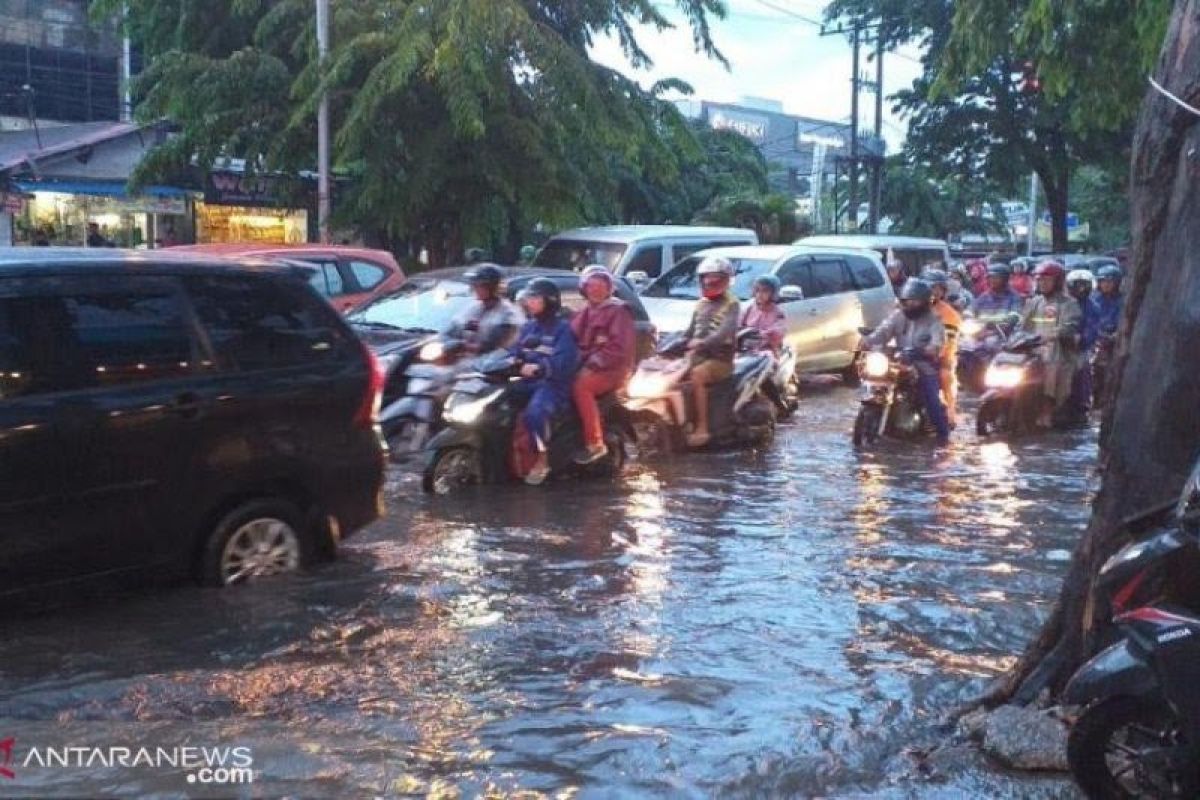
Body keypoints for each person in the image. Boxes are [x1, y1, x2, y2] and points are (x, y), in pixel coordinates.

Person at [509, 279, 580, 485]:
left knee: (535, 413)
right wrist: (513, 361)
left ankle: (542, 458)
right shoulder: (529, 327)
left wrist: (540, 368)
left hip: (552, 385)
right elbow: (515, 350)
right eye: (528, 298)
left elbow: (563, 363)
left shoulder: (563, 329)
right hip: (527, 382)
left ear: (549, 301)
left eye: (535, 298)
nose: (529, 303)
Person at [864, 279, 951, 445]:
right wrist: (867, 341)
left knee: (932, 400)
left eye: (914, 301)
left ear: (924, 302)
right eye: (907, 301)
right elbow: (883, 331)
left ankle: (943, 438)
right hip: (899, 361)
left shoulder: (934, 320)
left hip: (924, 365)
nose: (910, 304)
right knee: (873, 380)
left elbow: (938, 343)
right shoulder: (898, 316)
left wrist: (927, 350)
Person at [570, 265, 637, 465]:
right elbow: (570, 336)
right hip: (588, 365)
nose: (596, 290)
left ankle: (595, 443)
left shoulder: (617, 311)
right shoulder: (585, 312)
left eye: (600, 286)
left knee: (582, 387)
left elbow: (619, 349)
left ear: (609, 289)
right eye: (591, 286)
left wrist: (592, 363)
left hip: (613, 369)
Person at [681, 255, 740, 447]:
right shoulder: (700, 304)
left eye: (717, 279)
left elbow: (724, 332)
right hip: (698, 356)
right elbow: (689, 331)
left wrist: (703, 343)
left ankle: (702, 428)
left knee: (697, 375)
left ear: (726, 281)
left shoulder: (732, 304)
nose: (711, 283)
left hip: (721, 360)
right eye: (708, 279)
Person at [1020, 261, 1083, 429]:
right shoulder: (1034, 302)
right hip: (1033, 349)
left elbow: (1069, 326)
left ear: (1058, 282)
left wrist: (1054, 334)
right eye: (1039, 280)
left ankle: (1047, 410)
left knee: (1052, 362)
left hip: (1060, 352)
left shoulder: (1069, 303)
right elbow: (1022, 326)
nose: (1042, 283)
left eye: (1047, 280)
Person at [442, 264, 521, 355]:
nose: (474, 288)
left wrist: (464, 346)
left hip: (490, 365)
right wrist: (450, 342)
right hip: (464, 363)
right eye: (474, 284)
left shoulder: (508, 315)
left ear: (493, 287)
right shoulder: (473, 308)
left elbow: (494, 346)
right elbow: (451, 329)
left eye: (479, 285)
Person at [924, 269, 962, 428]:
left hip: (940, 357)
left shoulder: (949, 314)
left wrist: (937, 352)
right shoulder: (909, 306)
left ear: (943, 291)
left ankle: (949, 414)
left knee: (945, 375)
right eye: (930, 287)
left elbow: (948, 341)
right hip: (911, 354)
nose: (933, 291)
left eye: (937, 288)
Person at [1066, 269, 1098, 418]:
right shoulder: (1062, 303)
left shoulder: (1092, 307)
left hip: (1080, 348)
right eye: (1077, 285)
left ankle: (1082, 403)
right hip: (1057, 346)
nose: (1080, 289)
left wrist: (1080, 339)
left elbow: (1091, 331)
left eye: (1084, 285)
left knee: (1081, 367)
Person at [740, 274, 787, 355]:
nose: (760, 294)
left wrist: (763, 335)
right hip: (743, 351)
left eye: (765, 291)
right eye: (757, 290)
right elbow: (735, 326)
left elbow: (777, 334)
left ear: (773, 293)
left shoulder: (778, 313)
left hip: (766, 352)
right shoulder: (747, 307)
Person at [971, 263, 1025, 332]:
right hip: (982, 333)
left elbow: (1016, 312)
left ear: (1005, 279)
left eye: (996, 277)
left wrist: (1012, 319)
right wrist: (967, 316)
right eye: (990, 277)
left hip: (1004, 335)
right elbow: (972, 308)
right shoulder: (984, 296)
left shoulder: (1013, 296)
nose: (992, 280)